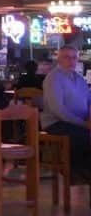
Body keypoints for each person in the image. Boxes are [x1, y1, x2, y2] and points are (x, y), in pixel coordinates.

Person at [41, 46, 91, 184]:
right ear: (59, 59)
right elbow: (58, 109)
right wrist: (83, 124)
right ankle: (79, 175)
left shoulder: (80, 79)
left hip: (79, 123)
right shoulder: (54, 78)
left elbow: (89, 101)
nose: (71, 61)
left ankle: (84, 174)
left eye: (74, 57)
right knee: (85, 137)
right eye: (66, 57)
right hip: (56, 124)